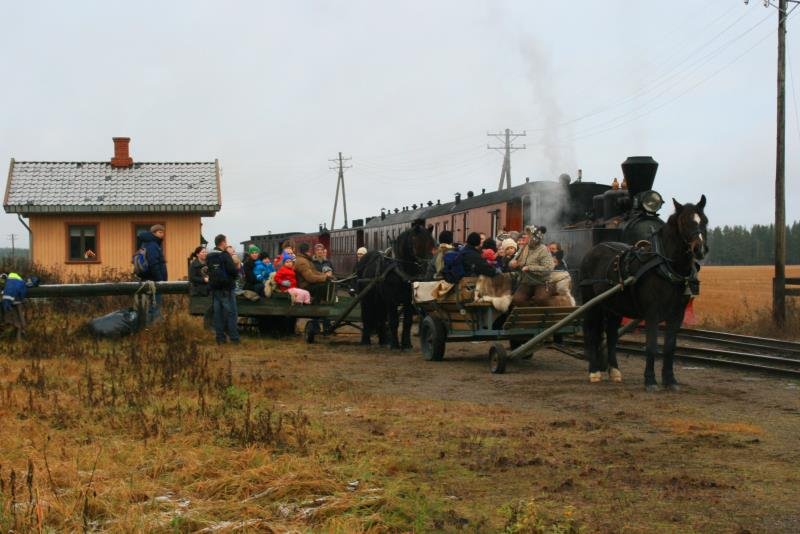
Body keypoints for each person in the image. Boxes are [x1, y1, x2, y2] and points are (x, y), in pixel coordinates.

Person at [206, 234, 241, 344]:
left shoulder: (210, 256)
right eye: (226, 241)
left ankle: (220, 338)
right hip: (227, 288)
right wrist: (236, 275)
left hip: (215, 288)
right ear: (223, 242)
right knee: (231, 313)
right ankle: (234, 338)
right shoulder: (224, 255)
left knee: (218, 313)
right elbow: (232, 270)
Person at [509, 226, 555, 305]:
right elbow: (513, 260)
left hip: (542, 282)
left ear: (535, 237)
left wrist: (530, 268)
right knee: (517, 300)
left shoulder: (543, 249)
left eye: (528, 234)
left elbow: (548, 268)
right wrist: (512, 263)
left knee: (541, 299)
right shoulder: (524, 247)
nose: (524, 236)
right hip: (526, 282)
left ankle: (544, 316)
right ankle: (528, 315)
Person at [137, 224, 168, 322]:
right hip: (154, 281)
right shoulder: (153, 245)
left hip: (148, 279)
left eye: (163, 232)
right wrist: (160, 280)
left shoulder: (147, 243)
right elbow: (154, 263)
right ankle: (154, 329)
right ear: (153, 233)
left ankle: (148, 329)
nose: (162, 234)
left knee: (149, 306)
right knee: (155, 307)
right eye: (160, 232)